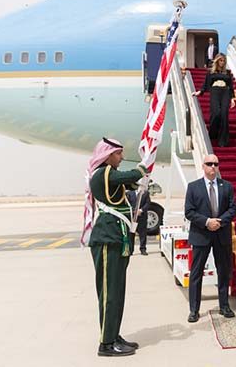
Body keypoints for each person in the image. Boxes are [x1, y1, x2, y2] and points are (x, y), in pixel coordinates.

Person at [81, 137, 148, 357]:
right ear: (108, 155)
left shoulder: (110, 176)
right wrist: (142, 166)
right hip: (107, 239)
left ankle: (113, 334)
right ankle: (106, 344)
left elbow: (130, 182)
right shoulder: (103, 173)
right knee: (109, 293)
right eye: (118, 154)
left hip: (116, 239)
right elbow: (130, 176)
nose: (121, 157)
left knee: (117, 292)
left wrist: (141, 177)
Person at [184, 154, 236, 323]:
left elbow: (233, 208)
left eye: (215, 164)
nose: (213, 167)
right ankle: (194, 310)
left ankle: (224, 306)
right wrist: (207, 222)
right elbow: (189, 211)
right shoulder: (193, 187)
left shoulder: (227, 186)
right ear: (203, 166)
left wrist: (219, 222)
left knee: (223, 271)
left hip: (221, 235)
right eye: (209, 164)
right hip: (201, 235)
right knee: (196, 273)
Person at [193, 54, 236, 147]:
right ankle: (213, 134)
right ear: (217, 61)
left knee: (224, 114)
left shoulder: (227, 72)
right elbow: (205, 84)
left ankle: (223, 141)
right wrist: (200, 92)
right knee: (216, 113)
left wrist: (232, 99)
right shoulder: (210, 72)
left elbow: (231, 87)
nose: (222, 62)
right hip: (215, 92)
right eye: (220, 60)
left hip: (225, 92)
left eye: (223, 60)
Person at [125, 189, 151, 256]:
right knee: (131, 234)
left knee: (142, 234)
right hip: (133, 218)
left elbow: (148, 203)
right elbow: (127, 203)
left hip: (142, 217)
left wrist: (141, 210)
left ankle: (143, 249)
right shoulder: (130, 193)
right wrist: (134, 211)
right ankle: (131, 250)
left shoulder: (145, 193)